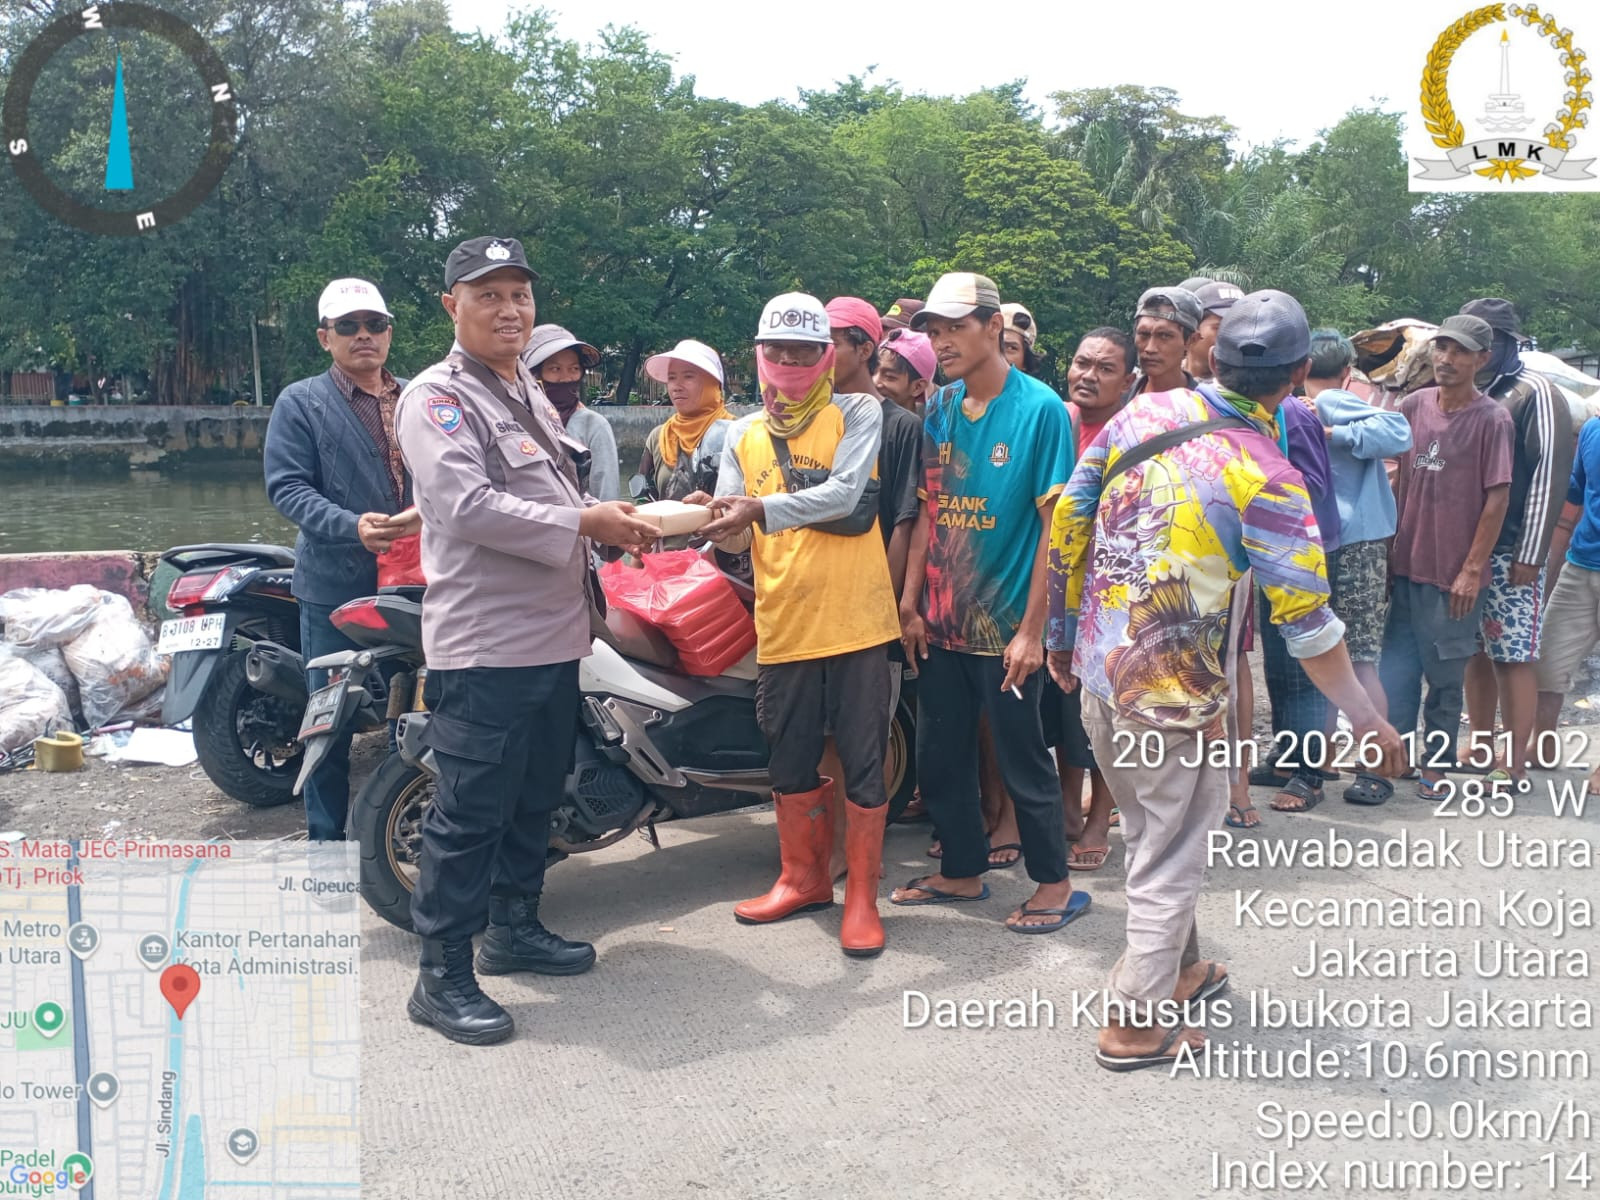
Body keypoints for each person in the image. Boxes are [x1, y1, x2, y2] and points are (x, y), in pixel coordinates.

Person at [1046, 289, 1405, 1070]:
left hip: (1102, 677)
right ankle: (1136, 1025)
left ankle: (1181, 969)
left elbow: (1070, 519)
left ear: (1212, 356)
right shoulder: (1269, 477)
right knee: (1170, 855)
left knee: (1154, 832)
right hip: (1171, 699)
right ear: (1302, 373)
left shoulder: (1141, 415)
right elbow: (1309, 625)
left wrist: (1057, 635)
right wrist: (1370, 722)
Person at [393, 237, 657, 1045]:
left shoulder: (525, 391)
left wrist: (617, 524)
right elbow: (467, 506)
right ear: (452, 306)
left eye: (520, 295)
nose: (510, 310)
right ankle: (440, 978)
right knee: (470, 809)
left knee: (536, 792)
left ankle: (515, 928)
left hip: (554, 635)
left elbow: (543, 487)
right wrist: (584, 520)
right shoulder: (438, 397)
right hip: (488, 643)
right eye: (489, 295)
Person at [700, 292, 901, 958]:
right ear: (758, 356)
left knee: (865, 763)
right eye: (776, 351)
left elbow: (847, 494)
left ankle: (863, 899)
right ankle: (803, 879)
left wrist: (755, 508)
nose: (788, 362)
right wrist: (711, 517)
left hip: (857, 623)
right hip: (783, 622)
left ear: (826, 357)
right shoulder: (741, 432)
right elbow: (732, 538)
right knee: (787, 760)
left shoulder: (858, 411)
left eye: (804, 351)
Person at [892, 272, 1086, 933]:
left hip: (1006, 628)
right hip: (942, 623)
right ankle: (963, 871)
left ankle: (1054, 884)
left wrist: (1033, 632)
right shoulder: (941, 407)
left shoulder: (1042, 411)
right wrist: (911, 604)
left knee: (1021, 755)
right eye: (934, 330)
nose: (941, 341)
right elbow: (927, 511)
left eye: (954, 327)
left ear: (993, 326)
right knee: (940, 754)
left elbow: (1056, 531)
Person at [264, 278, 417, 843]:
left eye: (374, 325)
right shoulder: (301, 402)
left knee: (426, 710)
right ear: (325, 337)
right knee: (329, 720)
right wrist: (352, 526)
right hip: (336, 585)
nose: (363, 337)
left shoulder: (417, 398)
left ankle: (411, 827)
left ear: (388, 333)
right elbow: (287, 489)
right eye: (348, 327)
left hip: (420, 581)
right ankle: (326, 843)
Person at [1378, 314, 1514, 800]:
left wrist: (1472, 570)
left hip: (1453, 574)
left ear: (1482, 358)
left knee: (1444, 676)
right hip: (1407, 564)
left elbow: (1496, 499)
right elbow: (1400, 479)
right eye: (1441, 349)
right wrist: (1389, 555)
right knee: (1396, 670)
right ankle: (1392, 759)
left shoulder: (1492, 419)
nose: (1446, 360)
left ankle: (1435, 765)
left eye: (1459, 352)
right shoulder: (1414, 406)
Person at [818, 296, 923, 878]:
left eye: (830, 342)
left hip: (869, 601)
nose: (818, 355)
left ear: (864, 347)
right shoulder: (806, 417)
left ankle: (858, 856)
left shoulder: (899, 424)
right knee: (823, 730)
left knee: (867, 731)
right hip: (813, 596)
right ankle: (826, 844)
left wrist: (895, 603)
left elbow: (904, 517)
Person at [1457, 298, 1574, 789]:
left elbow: (1548, 475)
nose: (1479, 354)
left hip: (1511, 551)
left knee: (1512, 655)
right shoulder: (1478, 392)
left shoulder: (1536, 393)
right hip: (1470, 551)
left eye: (1489, 345)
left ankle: (1514, 758)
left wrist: (1531, 553)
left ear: (1506, 344)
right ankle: (1481, 742)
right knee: (1474, 652)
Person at [1306, 329, 1413, 805]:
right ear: (1348, 371)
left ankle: (1376, 765)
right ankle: (1335, 761)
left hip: (1353, 544)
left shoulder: (1329, 403)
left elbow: (1399, 433)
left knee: (1350, 656)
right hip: (1339, 543)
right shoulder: (1304, 404)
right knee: (1342, 655)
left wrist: (1332, 434)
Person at [1052, 327, 1137, 868]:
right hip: (1058, 585)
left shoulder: (1133, 431)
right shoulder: (1056, 419)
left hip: (1112, 591)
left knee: (1106, 705)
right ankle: (1065, 804)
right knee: (1062, 708)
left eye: (1105, 369)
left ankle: (1100, 814)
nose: (1089, 375)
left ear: (1128, 381)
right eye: (1083, 363)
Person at [1534, 420, 1600, 794]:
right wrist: (1551, 564)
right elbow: (1574, 497)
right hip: (1581, 562)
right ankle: (1542, 746)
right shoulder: (1593, 429)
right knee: (1547, 659)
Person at [522, 325, 621, 500]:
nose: (566, 377)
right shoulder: (515, 421)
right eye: (555, 369)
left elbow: (607, 494)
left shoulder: (593, 425)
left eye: (574, 369)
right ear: (533, 374)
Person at [638, 338, 734, 510]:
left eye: (688, 376)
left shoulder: (739, 434)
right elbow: (642, 497)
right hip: (664, 535)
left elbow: (753, 503)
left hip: (721, 536)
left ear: (713, 383)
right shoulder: (659, 437)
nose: (676, 386)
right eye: (672, 378)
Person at [1129, 286, 1202, 396]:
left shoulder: (1205, 407)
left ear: (1191, 340)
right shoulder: (1116, 400)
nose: (1150, 348)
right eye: (1144, 334)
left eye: (1164, 336)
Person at [1186, 281, 1243, 385]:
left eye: (1241, 328)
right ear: (1192, 330)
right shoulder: (1159, 379)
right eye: (1220, 327)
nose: (1234, 336)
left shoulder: (1251, 390)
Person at [874, 328, 937, 415]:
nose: (875, 382)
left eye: (889, 377)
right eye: (873, 372)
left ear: (917, 387)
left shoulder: (930, 427)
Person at [1001, 302, 1042, 375]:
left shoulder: (1036, 387)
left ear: (1025, 360)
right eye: (993, 346)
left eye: (1011, 348)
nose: (999, 356)